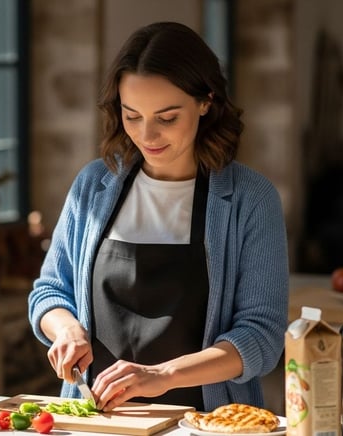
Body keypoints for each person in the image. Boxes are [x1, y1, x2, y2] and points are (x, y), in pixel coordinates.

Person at [28, 21, 289, 412]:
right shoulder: (93, 186)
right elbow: (49, 292)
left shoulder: (250, 200)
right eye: (132, 116)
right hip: (100, 422)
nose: (147, 135)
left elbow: (261, 338)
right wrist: (66, 330)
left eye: (167, 118)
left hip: (207, 421)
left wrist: (162, 376)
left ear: (206, 101)